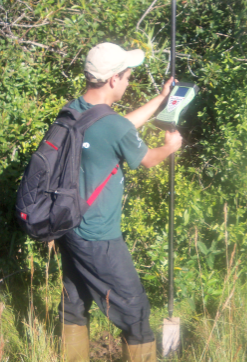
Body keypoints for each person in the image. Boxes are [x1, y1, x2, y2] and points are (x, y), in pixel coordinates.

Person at [59, 43, 182, 362]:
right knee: (135, 311)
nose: (129, 82)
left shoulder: (74, 109)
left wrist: (160, 100)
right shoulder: (112, 126)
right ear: (113, 80)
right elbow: (149, 159)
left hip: (69, 228)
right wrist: (170, 147)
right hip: (99, 237)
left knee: (74, 303)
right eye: (127, 76)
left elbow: (118, 128)